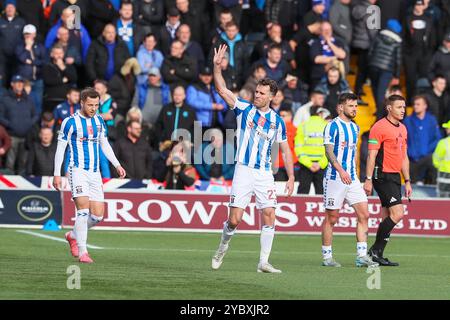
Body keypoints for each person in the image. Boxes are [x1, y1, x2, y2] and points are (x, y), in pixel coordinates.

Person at [211, 44, 295, 273]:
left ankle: (263, 262)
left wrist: (290, 177)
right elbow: (222, 90)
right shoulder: (244, 109)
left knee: (269, 213)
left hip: (264, 172)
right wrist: (217, 68)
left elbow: (286, 150)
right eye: (256, 92)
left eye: (261, 93)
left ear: (272, 97)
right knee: (235, 220)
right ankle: (222, 246)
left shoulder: (278, 122)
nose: (256, 96)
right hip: (244, 169)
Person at [53, 87, 126, 264]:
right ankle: (83, 252)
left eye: (96, 105)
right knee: (83, 211)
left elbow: (104, 144)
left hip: (95, 173)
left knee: (98, 216)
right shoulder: (70, 122)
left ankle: (72, 235)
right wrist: (56, 174)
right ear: (82, 103)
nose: (93, 108)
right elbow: (61, 149)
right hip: (77, 170)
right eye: (90, 105)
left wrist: (116, 164)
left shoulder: (99, 121)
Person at [321, 93, 378, 267]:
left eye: (356, 106)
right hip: (335, 178)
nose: (355, 109)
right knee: (332, 218)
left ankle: (361, 256)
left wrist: (359, 177)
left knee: (364, 214)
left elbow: (352, 154)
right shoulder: (332, 126)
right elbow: (329, 152)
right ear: (340, 107)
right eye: (351, 106)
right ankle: (327, 257)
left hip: (352, 179)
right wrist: (341, 171)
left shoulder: (355, 127)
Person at [363, 94, 412, 266]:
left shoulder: (403, 128)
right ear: (389, 108)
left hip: (395, 177)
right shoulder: (379, 127)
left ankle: (377, 254)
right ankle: (374, 251)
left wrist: (407, 181)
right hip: (382, 175)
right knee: (398, 213)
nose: (403, 110)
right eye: (399, 107)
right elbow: (371, 155)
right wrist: (368, 179)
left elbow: (404, 156)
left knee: (386, 216)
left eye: (404, 107)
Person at [403, 95, 441, 184]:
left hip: (427, 158)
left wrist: (427, 151)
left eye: (418, 104)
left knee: (431, 185)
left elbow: (437, 138)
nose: (415, 106)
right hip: (412, 160)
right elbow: (403, 140)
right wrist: (410, 152)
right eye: (414, 104)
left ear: (425, 106)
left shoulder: (432, 120)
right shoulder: (407, 121)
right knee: (414, 189)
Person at [295, 105, 328, 194]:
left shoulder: (303, 126)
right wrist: (321, 164)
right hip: (321, 165)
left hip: (306, 165)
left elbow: (298, 148)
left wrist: (309, 164)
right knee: (322, 194)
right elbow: (330, 149)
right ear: (320, 113)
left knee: (303, 192)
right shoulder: (327, 126)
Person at [433, 120, 450, 197]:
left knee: (443, 202)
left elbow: (435, 160)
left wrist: (440, 166)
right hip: (444, 176)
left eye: (447, 128)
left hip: (444, 175)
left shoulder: (443, 143)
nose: (446, 129)